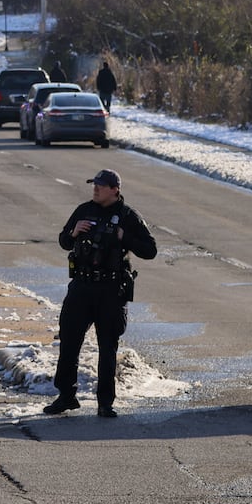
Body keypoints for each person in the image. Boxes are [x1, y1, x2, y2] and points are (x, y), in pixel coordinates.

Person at [44, 168, 157, 418]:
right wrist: (73, 233)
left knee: (108, 347)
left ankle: (105, 402)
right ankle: (66, 395)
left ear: (115, 190)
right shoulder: (84, 210)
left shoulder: (127, 216)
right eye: (94, 185)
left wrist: (123, 237)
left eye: (101, 186)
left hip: (110, 290)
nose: (95, 189)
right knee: (70, 341)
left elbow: (150, 250)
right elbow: (63, 241)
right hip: (82, 287)